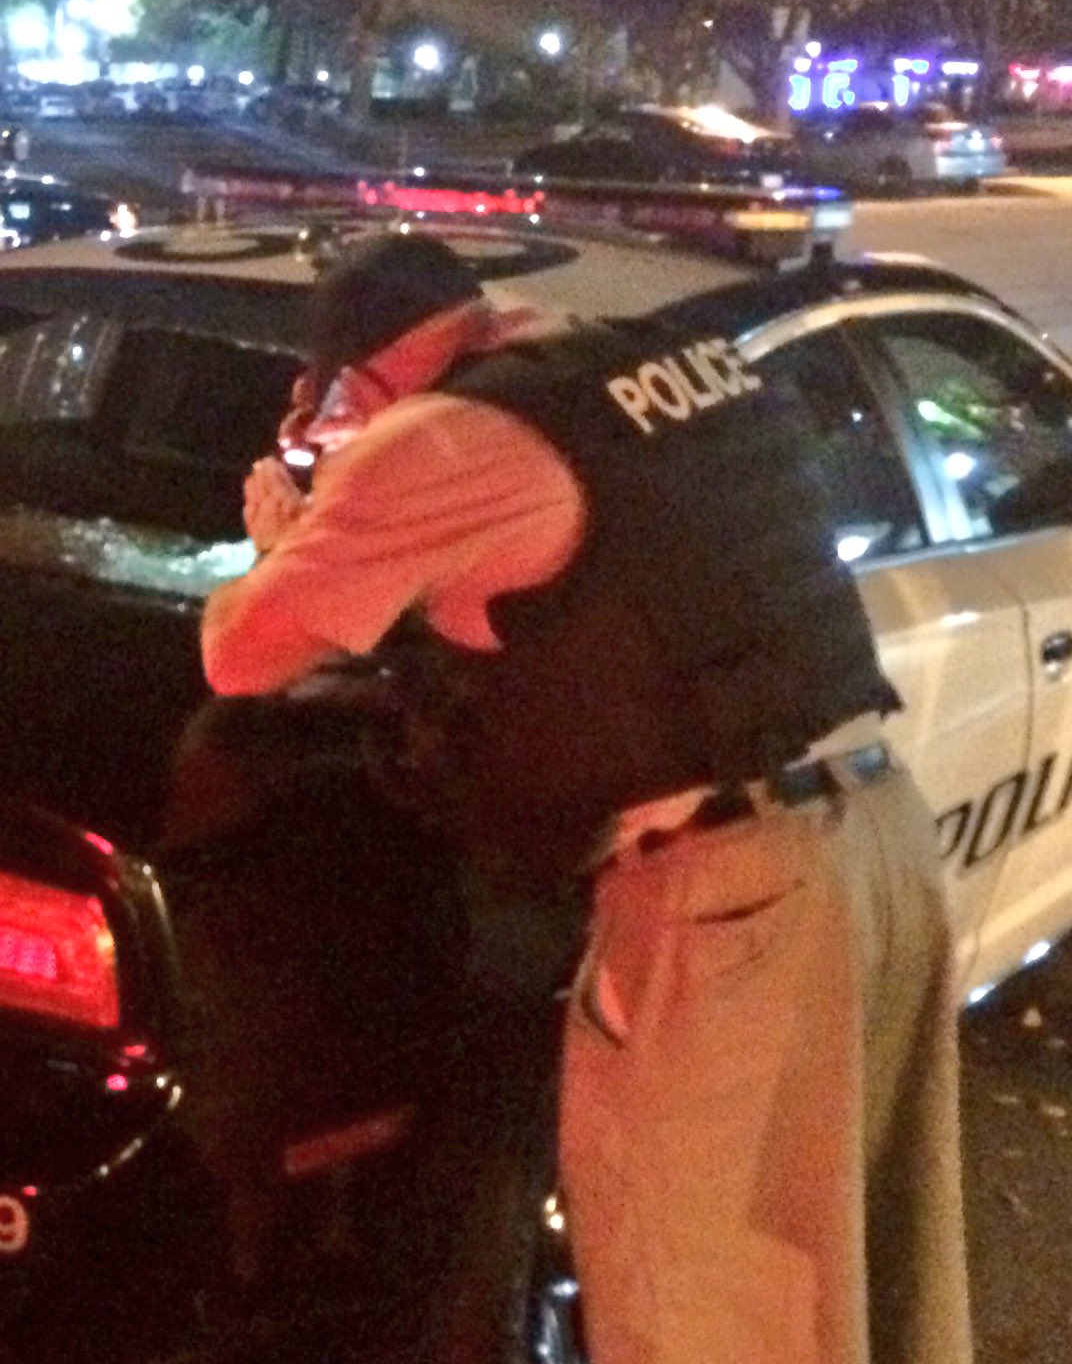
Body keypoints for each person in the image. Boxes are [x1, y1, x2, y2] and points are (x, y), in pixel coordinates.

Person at [196, 231, 972, 1364]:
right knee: (855, 1294)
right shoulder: (647, 367)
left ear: (353, 385)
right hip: (876, 846)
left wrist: (286, 540)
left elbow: (242, 654)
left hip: (726, 909)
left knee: (695, 1305)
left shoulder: (441, 437)